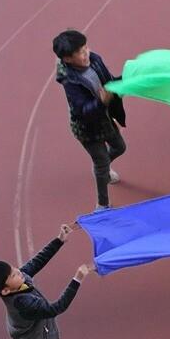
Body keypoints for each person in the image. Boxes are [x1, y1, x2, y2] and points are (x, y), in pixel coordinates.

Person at [53, 30, 127, 211]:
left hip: (104, 119)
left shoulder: (95, 60)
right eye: (80, 52)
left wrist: (126, 80)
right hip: (87, 128)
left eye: (86, 47)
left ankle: (102, 167)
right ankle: (102, 204)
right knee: (101, 163)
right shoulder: (70, 82)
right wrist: (101, 102)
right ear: (68, 59)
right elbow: (82, 111)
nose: (86, 53)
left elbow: (109, 81)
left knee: (120, 147)